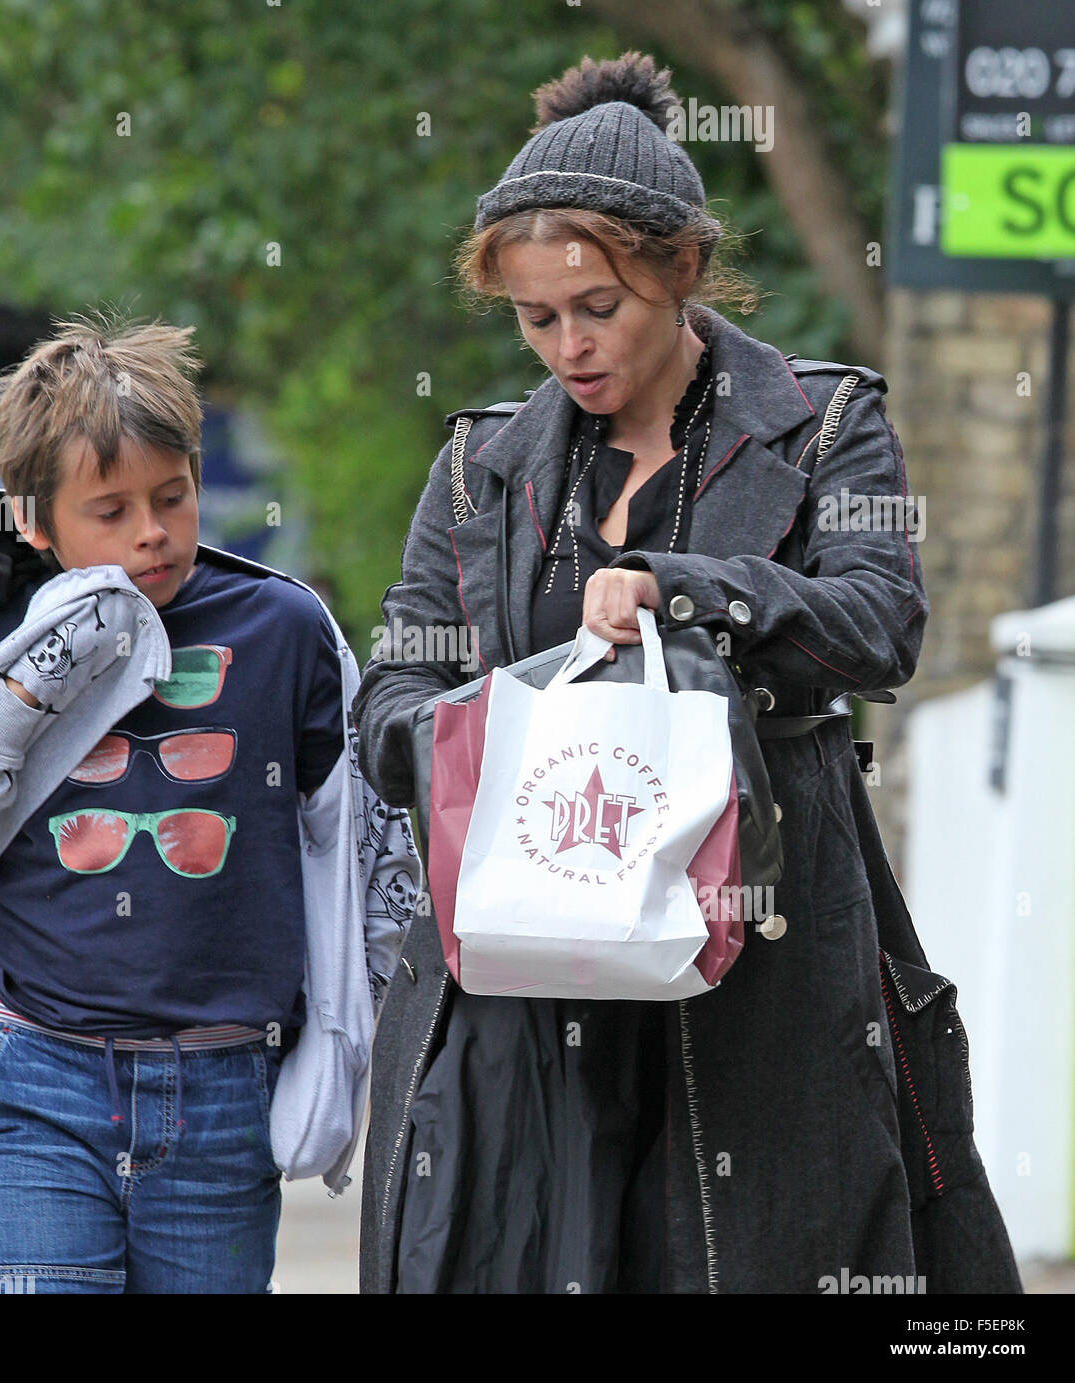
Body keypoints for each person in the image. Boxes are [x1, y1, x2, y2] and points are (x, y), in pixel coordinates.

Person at [352, 53, 1021, 1293]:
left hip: (762, 959)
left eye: (595, 307)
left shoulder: (825, 425)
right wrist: (490, 724)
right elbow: (389, 701)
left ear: (679, 269)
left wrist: (690, 589)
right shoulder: (477, 469)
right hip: (525, 974)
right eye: (535, 317)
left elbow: (882, 627)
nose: (567, 345)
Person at [0, 312, 416, 1293]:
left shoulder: (282, 628)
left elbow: (368, 852)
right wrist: (33, 677)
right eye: (108, 511)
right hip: (36, 1077)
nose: (152, 532)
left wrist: (347, 1045)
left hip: (223, 1094)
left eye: (173, 496)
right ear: (36, 522)